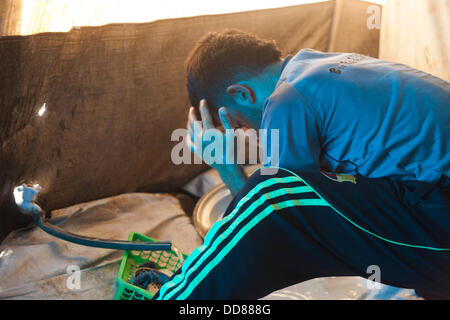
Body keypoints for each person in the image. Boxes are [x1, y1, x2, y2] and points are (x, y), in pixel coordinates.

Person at [154, 29, 450, 300]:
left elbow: (269, 213)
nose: (247, 133)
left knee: (268, 195)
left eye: (240, 124)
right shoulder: (316, 65)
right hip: (433, 204)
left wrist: (225, 165)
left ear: (242, 93)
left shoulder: (287, 100)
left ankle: (174, 297)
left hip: (441, 213)